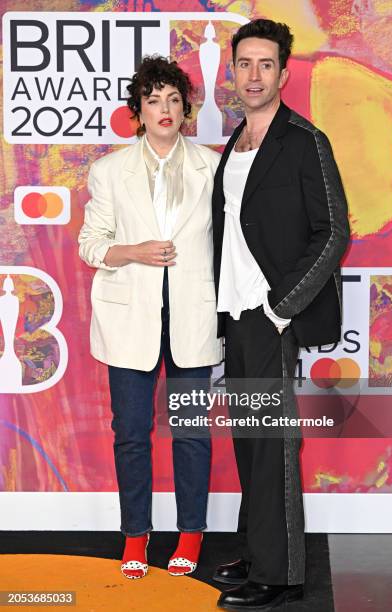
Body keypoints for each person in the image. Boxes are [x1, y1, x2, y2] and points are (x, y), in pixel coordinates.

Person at [211, 19, 350, 610]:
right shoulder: (235, 141)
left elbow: (333, 231)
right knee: (251, 442)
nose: (254, 74)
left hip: (271, 316)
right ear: (233, 71)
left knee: (271, 443)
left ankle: (282, 571)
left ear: (283, 74)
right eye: (245, 63)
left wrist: (279, 308)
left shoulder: (304, 140)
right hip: (235, 315)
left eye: (266, 64)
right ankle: (261, 547)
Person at [78, 55, 222, 580]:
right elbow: (91, 245)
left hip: (194, 317)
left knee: (190, 431)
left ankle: (190, 534)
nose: (164, 109)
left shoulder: (214, 167)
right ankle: (135, 537)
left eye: (173, 100)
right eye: (153, 99)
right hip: (128, 321)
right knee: (132, 434)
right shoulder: (109, 170)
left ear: (187, 109)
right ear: (137, 109)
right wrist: (133, 250)